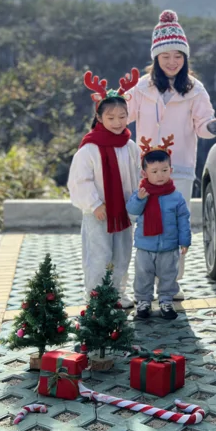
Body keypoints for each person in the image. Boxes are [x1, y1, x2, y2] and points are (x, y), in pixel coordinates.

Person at [126, 9, 216, 298]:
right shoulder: (141, 87)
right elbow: (123, 114)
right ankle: (144, 281)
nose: (172, 61)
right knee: (145, 225)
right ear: (156, 57)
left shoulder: (195, 89)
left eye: (178, 55)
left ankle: (171, 283)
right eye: (165, 55)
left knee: (177, 224)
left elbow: (203, 123)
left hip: (177, 168)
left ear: (185, 58)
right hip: (146, 168)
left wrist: (212, 127)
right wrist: (107, 105)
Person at [68, 68, 141, 308]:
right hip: (98, 213)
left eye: (122, 116)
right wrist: (95, 204)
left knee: (122, 253)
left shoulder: (130, 146)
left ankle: (118, 292)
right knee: (99, 255)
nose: (117, 122)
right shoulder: (89, 148)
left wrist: (138, 202)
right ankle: (97, 296)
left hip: (124, 212)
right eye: (111, 118)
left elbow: (137, 175)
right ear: (99, 118)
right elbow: (80, 180)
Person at [126, 135, 191, 320]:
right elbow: (132, 210)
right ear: (144, 173)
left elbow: (183, 220)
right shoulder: (142, 193)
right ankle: (143, 302)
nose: (160, 175)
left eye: (164, 170)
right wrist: (140, 199)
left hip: (169, 246)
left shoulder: (176, 197)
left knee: (168, 275)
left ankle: (166, 301)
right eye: (154, 171)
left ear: (171, 170)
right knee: (143, 275)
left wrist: (184, 241)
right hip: (145, 246)